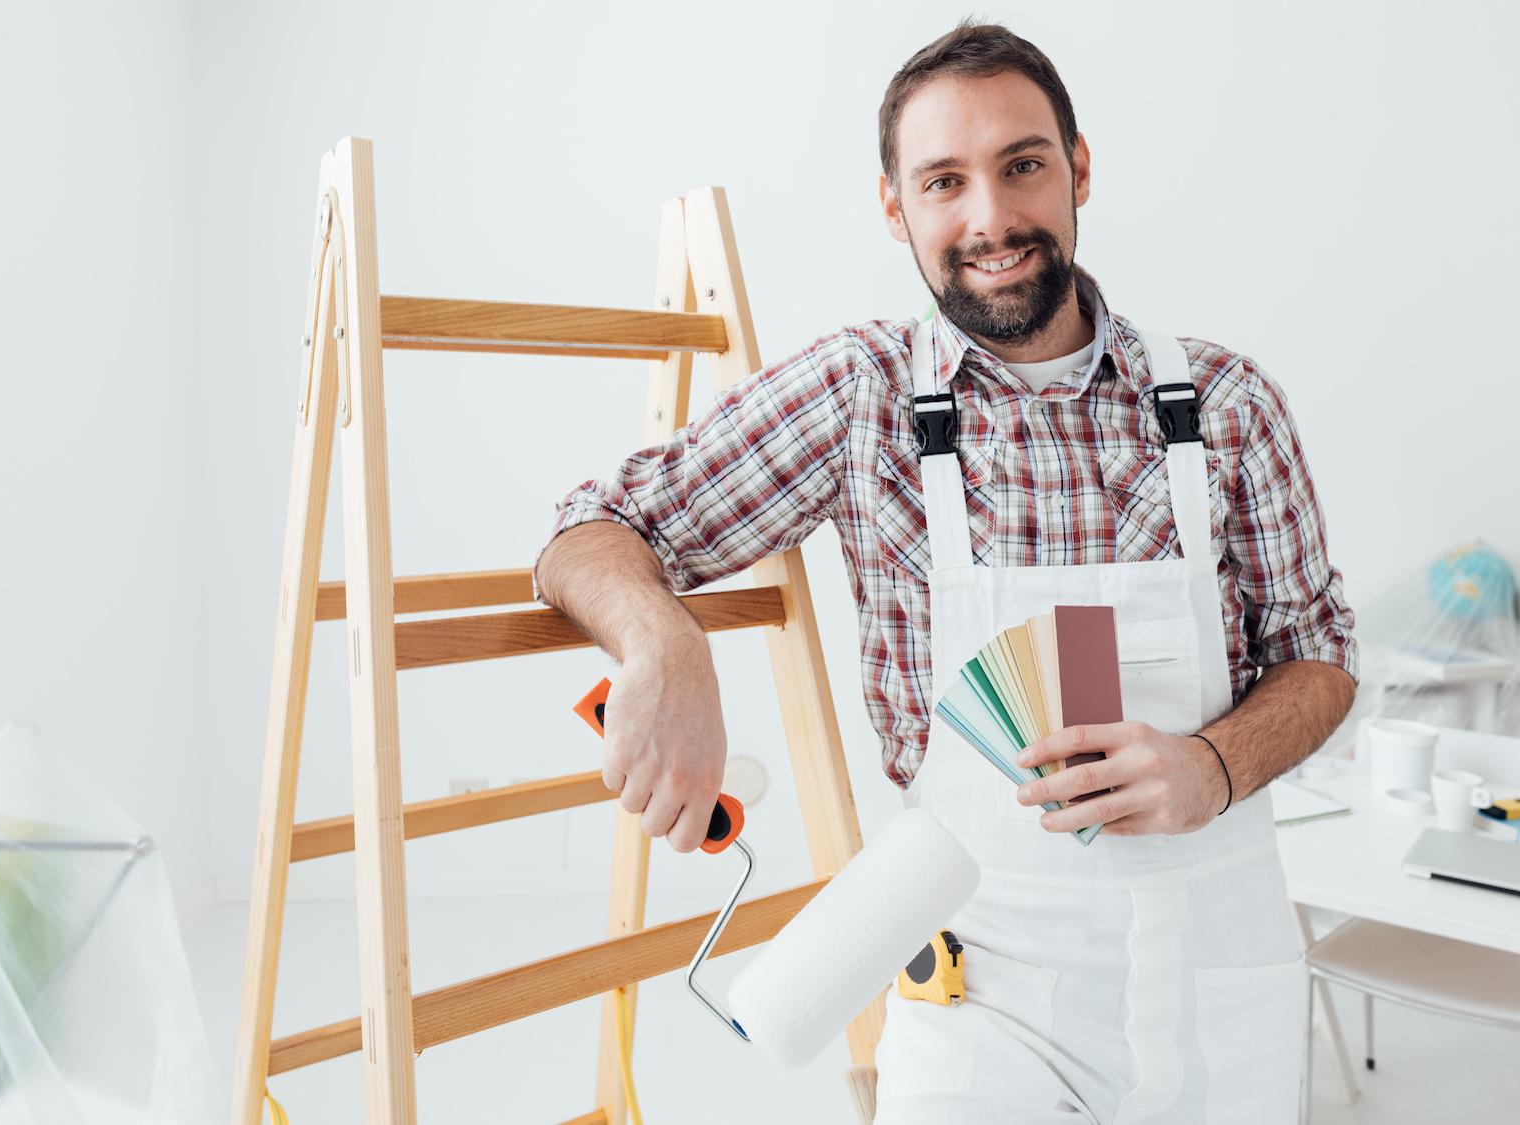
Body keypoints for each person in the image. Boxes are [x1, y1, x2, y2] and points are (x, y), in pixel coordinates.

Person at [533, 20, 1357, 1124]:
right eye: (942, 181)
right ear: (894, 207)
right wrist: (660, 637)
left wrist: (1211, 763)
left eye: (1021, 164)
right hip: (982, 992)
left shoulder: (1225, 403)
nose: (989, 219)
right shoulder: (861, 396)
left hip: (1214, 972)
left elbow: (1320, 657)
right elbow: (596, 525)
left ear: (1077, 168)